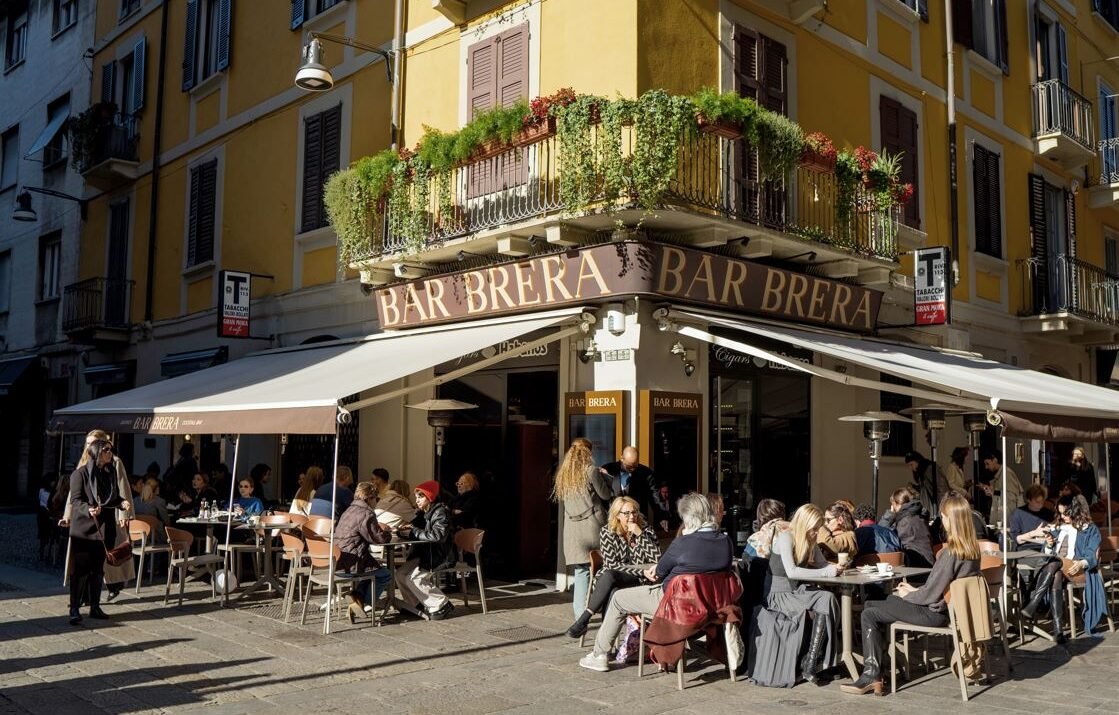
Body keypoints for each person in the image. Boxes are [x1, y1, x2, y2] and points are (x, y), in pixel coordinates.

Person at [841, 492, 981, 696]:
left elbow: (930, 596)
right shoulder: (972, 550)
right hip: (950, 611)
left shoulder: (951, 553)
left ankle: (872, 674)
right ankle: (880, 668)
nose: (941, 519)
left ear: (950, 519)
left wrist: (908, 594)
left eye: (943, 516)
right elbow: (937, 589)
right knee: (874, 604)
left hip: (933, 613)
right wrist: (914, 591)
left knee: (868, 612)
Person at [578, 493, 733, 672]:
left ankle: (599, 655)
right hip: (714, 605)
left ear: (688, 518)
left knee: (619, 598)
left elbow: (660, 570)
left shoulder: (682, 544)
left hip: (674, 603)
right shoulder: (725, 542)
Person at [757, 504, 839, 685]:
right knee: (824, 599)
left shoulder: (809, 540)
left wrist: (835, 568)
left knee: (828, 598)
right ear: (804, 525)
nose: (816, 533)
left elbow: (822, 564)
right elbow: (792, 572)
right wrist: (826, 572)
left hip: (795, 592)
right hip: (778, 595)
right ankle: (813, 661)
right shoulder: (786, 538)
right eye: (814, 529)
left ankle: (811, 660)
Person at [566, 496, 661, 639]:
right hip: (614, 577)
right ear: (617, 515)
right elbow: (612, 564)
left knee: (612, 583)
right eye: (626, 513)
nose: (632, 516)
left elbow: (657, 559)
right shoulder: (607, 532)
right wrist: (640, 570)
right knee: (612, 583)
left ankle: (586, 622)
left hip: (640, 580)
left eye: (634, 512)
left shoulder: (646, 530)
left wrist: (640, 535)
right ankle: (603, 641)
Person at [1019, 494, 1106, 643]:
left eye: (1066, 513)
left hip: (1079, 569)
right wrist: (1049, 544)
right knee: (1056, 573)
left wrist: (1081, 563)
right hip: (1059, 569)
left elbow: (1092, 555)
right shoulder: (1058, 528)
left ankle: (1034, 601)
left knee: (1054, 563)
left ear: (1076, 510)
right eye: (1060, 513)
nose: (1063, 516)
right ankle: (1058, 632)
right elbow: (1047, 554)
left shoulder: (1089, 529)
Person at [67, 439, 130, 625]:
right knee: (80, 571)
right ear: (96, 453)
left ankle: (95, 606)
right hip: (84, 530)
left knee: (98, 570)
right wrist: (88, 509)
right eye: (106, 450)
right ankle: (74, 608)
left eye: (110, 450)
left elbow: (111, 497)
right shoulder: (79, 475)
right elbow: (76, 501)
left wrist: (121, 502)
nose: (110, 453)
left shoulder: (108, 474)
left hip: (103, 529)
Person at [553, 438, 612, 619]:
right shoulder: (591, 471)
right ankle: (604, 606)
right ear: (588, 453)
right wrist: (606, 476)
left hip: (573, 530)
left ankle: (580, 615)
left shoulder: (563, 475)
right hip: (593, 526)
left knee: (582, 571)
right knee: (605, 567)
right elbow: (605, 494)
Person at [395, 480, 454, 620]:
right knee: (400, 574)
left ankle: (441, 603)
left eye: (420, 497)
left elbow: (437, 535)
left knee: (414, 578)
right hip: (424, 553)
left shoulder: (441, 512)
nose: (417, 500)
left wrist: (413, 531)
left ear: (430, 497)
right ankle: (414, 604)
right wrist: (401, 530)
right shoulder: (424, 513)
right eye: (416, 497)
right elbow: (413, 528)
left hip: (439, 555)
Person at [334, 481, 393, 622]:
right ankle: (363, 601)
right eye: (376, 499)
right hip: (354, 563)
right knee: (385, 575)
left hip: (339, 561)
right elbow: (378, 540)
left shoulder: (348, 510)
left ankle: (356, 596)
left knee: (374, 570)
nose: (377, 502)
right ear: (369, 498)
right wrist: (387, 532)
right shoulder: (366, 514)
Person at [880, 488, 934, 567]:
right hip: (929, 561)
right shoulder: (920, 516)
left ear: (897, 504)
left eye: (893, 505)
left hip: (915, 564)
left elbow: (881, 531)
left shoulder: (904, 521)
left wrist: (890, 514)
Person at [599, 446, 654, 518]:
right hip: (613, 518)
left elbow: (654, 495)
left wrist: (662, 516)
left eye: (635, 466)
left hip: (636, 518)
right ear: (622, 458)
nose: (632, 469)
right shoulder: (608, 469)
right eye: (629, 466)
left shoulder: (646, 472)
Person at [980, 451, 1024, 525]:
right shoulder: (1001, 475)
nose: (986, 467)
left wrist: (993, 492)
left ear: (995, 460)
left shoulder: (1007, 474)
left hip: (1007, 520)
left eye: (987, 463)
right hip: (1004, 519)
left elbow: (1010, 497)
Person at [1009, 484, 1054, 552]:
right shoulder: (1018, 513)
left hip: (1046, 549)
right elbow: (1016, 539)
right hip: (1026, 550)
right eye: (1037, 501)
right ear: (1028, 500)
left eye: (1042, 501)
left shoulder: (1048, 513)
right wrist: (1034, 533)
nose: (1041, 504)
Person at [904, 451, 938, 519]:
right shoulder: (922, 472)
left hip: (933, 508)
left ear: (917, 461)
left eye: (911, 464)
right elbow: (925, 489)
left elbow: (937, 488)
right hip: (928, 509)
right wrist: (914, 487)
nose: (911, 468)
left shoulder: (928, 470)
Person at [38, 474, 56, 561]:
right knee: (44, 535)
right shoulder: (49, 492)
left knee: (43, 535)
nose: (54, 483)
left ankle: (42, 552)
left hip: (42, 514)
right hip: (45, 515)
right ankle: (43, 552)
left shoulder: (42, 490)